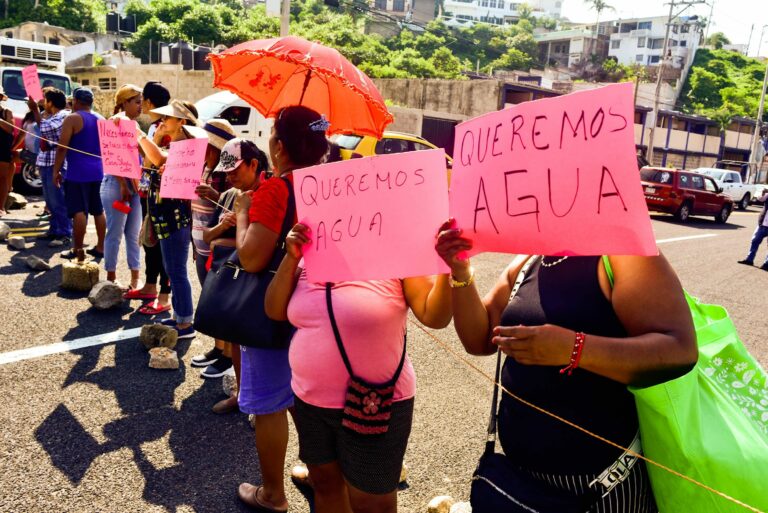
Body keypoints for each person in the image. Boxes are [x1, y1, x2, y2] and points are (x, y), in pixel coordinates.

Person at [434, 222, 698, 512]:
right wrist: (460, 272)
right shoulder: (529, 259)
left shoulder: (622, 254)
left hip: (601, 482)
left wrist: (575, 348)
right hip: (522, 475)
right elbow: (480, 339)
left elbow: (679, 349)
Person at [265, 233, 452, 511]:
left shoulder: (396, 247)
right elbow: (274, 309)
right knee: (326, 487)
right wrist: (292, 256)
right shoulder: (313, 246)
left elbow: (434, 316)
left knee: (372, 504)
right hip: (310, 400)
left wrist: (451, 271)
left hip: (377, 404)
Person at [233, 106, 328, 513]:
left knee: (271, 404)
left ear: (279, 146)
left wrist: (241, 214)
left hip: (275, 312)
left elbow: (251, 258)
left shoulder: (277, 189)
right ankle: (313, 469)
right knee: (308, 398)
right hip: (324, 313)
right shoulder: (334, 186)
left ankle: (273, 493)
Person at [197, 138, 269, 409]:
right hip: (231, 280)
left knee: (262, 345)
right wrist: (225, 224)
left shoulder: (270, 192)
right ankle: (240, 395)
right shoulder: (228, 194)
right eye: (226, 171)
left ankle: (265, 407)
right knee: (237, 341)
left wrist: (241, 219)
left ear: (253, 164)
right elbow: (207, 235)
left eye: (235, 169)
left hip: (259, 280)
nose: (230, 176)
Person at [136, 99, 200, 339]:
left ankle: (185, 323)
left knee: (176, 270)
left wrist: (140, 135)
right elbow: (149, 163)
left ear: (182, 122)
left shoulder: (187, 147)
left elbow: (160, 160)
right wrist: (156, 136)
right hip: (164, 216)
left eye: (168, 118)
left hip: (175, 217)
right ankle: (179, 316)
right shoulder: (173, 143)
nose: (162, 121)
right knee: (173, 270)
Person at [124, 81, 172, 314]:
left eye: (143, 100)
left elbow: (156, 162)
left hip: (164, 197)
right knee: (149, 241)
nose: (140, 104)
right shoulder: (155, 126)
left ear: (150, 102)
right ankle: (150, 286)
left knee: (163, 244)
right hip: (150, 193)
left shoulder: (165, 128)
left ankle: (164, 296)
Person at [54, 87, 106, 262]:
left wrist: (56, 171)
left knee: (79, 211)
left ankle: (77, 249)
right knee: (98, 210)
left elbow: (62, 148)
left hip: (78, 172)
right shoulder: (101, 118)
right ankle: (101, 246)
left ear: (76, 101)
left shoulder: (73, 118)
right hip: (99, 171)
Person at [100, 84, 144, 288]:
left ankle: (135, 277)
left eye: (141, 102)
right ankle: (111, 277)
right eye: (136, 102)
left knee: (134, 235)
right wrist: (123, 185)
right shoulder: (115, 122)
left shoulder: (134, 126)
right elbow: (113, 156)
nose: (140, 106)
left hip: (133, 187)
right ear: (124, 103)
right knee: (115, 234)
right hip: (117, 186)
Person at [190, 118, 236, 286]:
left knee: (215, 295)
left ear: (213, 147)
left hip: (215, 248)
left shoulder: (227, 174)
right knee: (205, 292)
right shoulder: (198, 168)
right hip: (198, 245)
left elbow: (234, 207)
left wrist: (216, 195)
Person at [28, 89, 72, 246]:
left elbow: (45, 129)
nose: (43, 103)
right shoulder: (52, 116)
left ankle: (65, 232)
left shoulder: (63, 115)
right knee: (50, 200)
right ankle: (54, 229)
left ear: (51, 103)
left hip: (56, 163)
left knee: (58, 199)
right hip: (46, 162)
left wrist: (34, 109)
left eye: (45, 100)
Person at [737, 192, 768, 270]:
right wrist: (763, 194)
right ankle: (749, 259)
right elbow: (760, 199)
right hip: (763, 224)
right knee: (755, 241)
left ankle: (767, 264)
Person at [0, 88, 14, 217]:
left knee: (2, 178)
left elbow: (11, 129)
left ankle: (1, 207)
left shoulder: (6, 112)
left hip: (2, 148)